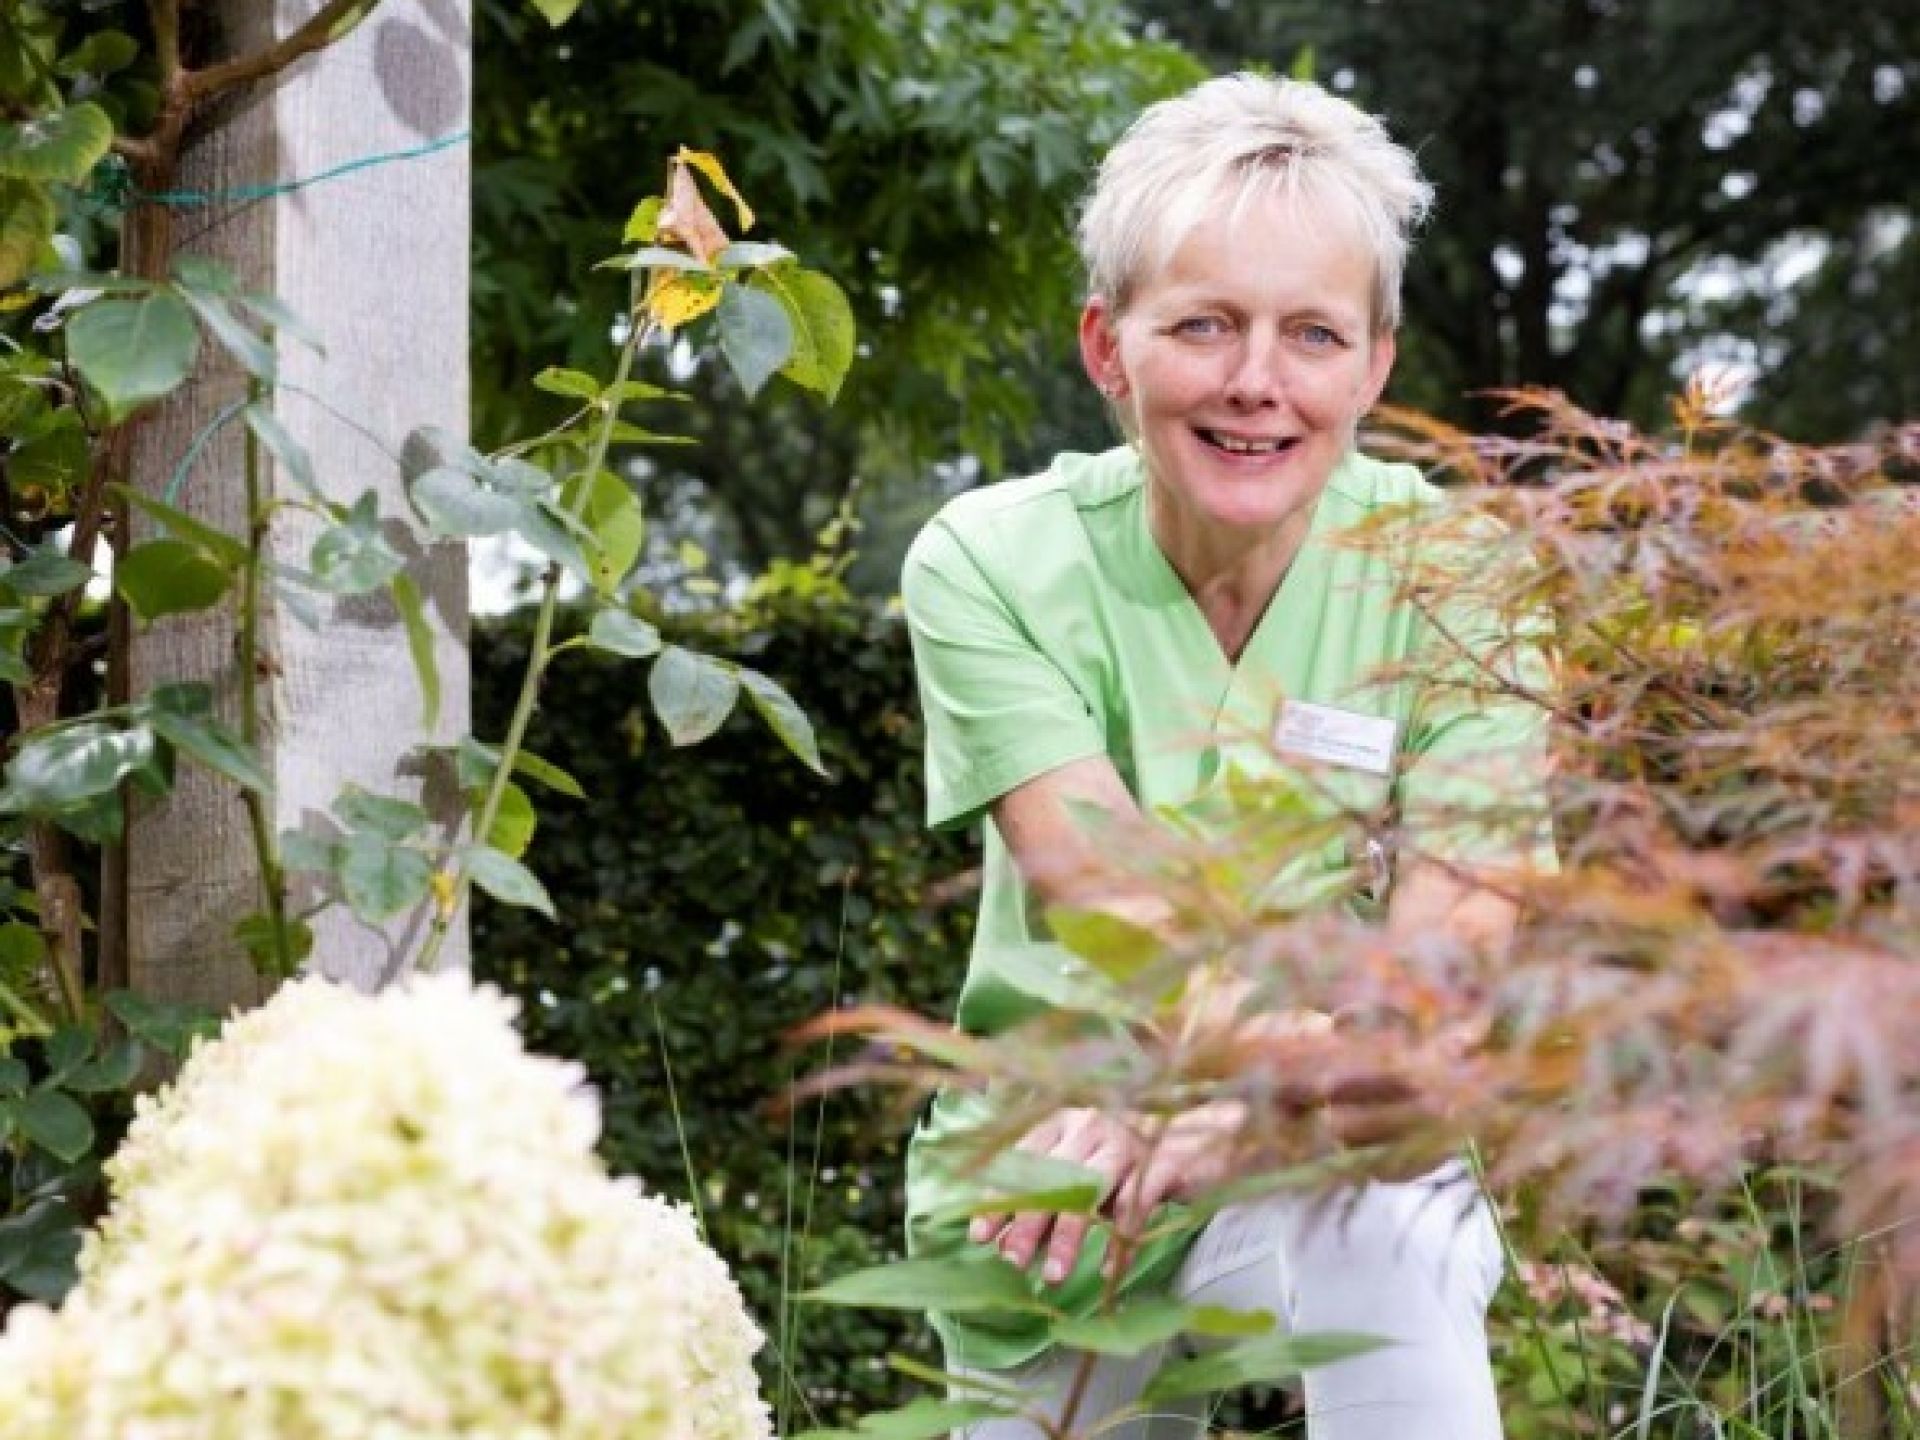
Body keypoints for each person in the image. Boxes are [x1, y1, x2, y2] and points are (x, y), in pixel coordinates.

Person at [899, 75, 1555, 1440]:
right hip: (1056, 1178)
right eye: (1204, 324)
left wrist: (1245, 1113)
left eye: (1312, 333)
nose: (1257, 380)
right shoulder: (989, 563)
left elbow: (1445, 983)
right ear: (1108, 348)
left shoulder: (1458, 578)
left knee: (1396, 1225)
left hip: (1325, 1142)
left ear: (1373, 368)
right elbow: (1112, 899)